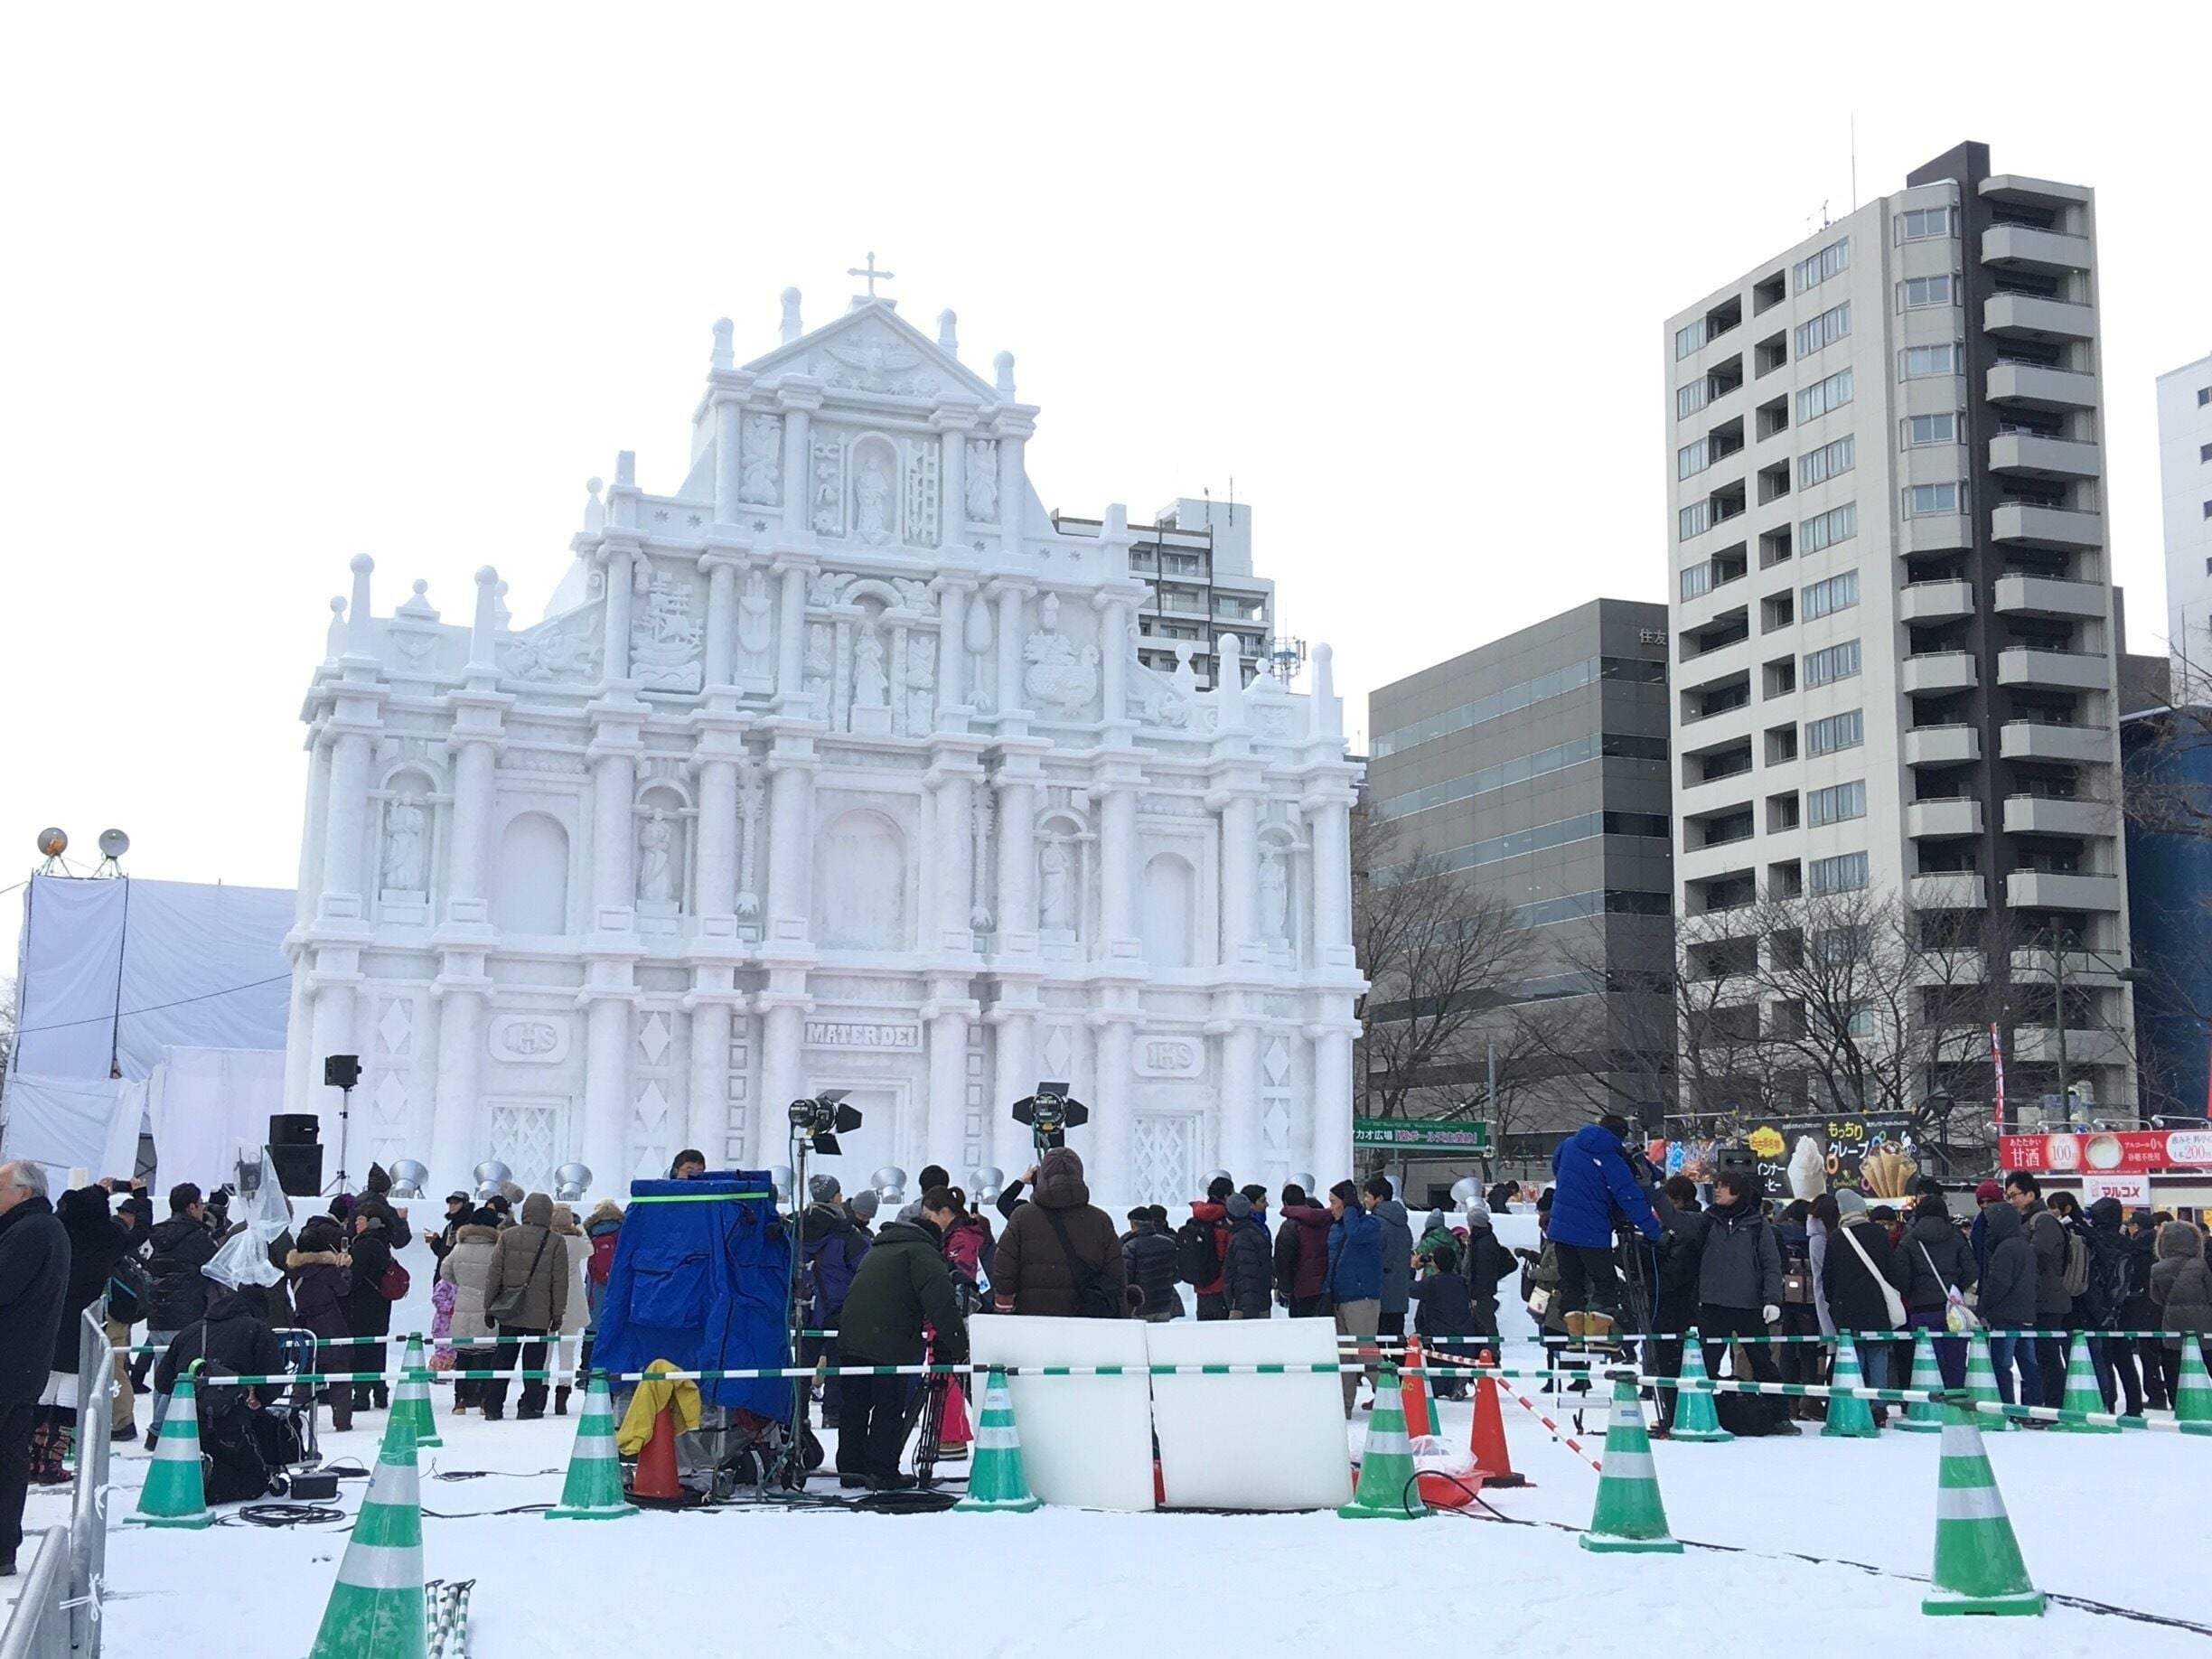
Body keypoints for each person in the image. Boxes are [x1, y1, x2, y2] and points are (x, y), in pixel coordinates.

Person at [835, 1186, 969, 1490]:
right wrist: (961, 1345)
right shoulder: (922, 1253)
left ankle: (851, 1469)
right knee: (888, 1406)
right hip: (887, 1343)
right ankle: (882, 1471)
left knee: (854, 1406)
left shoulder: (880, 1247)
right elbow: (941, 1305)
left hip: (851, 1336)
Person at [151, 1272, 285, 1503]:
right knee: (253, 1481)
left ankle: (197, 1475)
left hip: (185, 1426)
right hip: (231, 1421)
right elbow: (273, 1380)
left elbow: (162, 1382)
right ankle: (212, 1483)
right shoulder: (256, 1329)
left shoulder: (189, 1331)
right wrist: (258, 1400)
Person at [33, 1186, 133, 1484]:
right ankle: (52, 1461)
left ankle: (33, 1459)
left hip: (48, 1314)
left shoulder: (58, 1229)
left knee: (45, 1385)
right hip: (85, 1318)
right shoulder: (108, 1237)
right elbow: (132, 1236)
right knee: (68, 1389)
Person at [0, 1162, 69, 1576]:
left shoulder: (30, 1232)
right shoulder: (44, 1229)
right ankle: (4, 1548)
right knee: (9, 1460)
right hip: (24, 1366)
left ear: (22, 1193)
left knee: (9, 1461)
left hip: (8, 1364)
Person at [1692, 1169, 1795, 1434]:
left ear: (1737, 1192)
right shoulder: (1707, 1221)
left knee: (1763, 1363)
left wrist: (1773, 1300)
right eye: (1716, 1186)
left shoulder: (1758, 1225)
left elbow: (1772, 1264)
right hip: (1712, 1304)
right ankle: (1700, 1411)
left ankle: (1779, 1414)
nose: (1717, 1190)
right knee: (1706, 1363)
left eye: (1723, 1187)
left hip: (1749, 1305)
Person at [1547, 1114, 1662, 1343]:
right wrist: (1653, 1230)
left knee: (1571, 1283)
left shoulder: (1569, 1144)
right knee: (1605, 1284)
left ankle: (1575, 1338)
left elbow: (1556, 1167)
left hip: (1560, 1230)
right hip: (1592, 1233)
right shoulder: (1610, 1158)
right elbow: (1630, 1197)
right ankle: (1599, 1339)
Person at [990, 1148, 1128, 1317]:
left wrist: (1003, 1309)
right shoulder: (1100, 1220)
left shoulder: (1022, 1217)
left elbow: (1005, 1269)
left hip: (1032, 1319)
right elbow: (1116, 1275)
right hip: (1085, 1321)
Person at [480, 1192, 568, 1421]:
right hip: (539, 1315)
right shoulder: (556, 1241)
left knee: (503, 1360)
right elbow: (560, 1282)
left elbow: (494, 1273)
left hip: (510, 1310)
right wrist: (557, 1313)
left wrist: (489, 1306)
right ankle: (529, 1406)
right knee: (534, 1364)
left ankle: (493, 1406)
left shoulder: (508, 1236)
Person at [143, 1182, 217, 1445]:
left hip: (158, 1314)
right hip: (185, 1315)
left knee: (161, 1375)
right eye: (201, 1203)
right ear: (191, 1207)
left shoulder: (158, 1235)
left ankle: (158, 1425)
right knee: (182, 1376)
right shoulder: (197, 1238)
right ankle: (158, 1430)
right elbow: (217, 1267)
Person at [1823, 1190, 1907, 1420]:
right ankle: (1878, 1406)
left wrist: (1836, 1304)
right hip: (1877, 1307)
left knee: (1854, 1356)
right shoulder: (1878, 1235)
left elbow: (1827, 1279)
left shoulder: (1836, 1238)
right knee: (1878, 1356)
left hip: (1847, 1308)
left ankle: (1857, 1404)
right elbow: (1892, 1271)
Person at [798, 1177, 870, 1430]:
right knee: (838, 1366)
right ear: (833, 1197)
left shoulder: (797, 1227)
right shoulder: (845, 1231)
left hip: (804, 1308)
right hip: (839, 1308)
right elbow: (865, 1266)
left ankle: (798, 1415)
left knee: (801, 1368)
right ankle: (832, 1414)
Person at [1900, 1189, 1976, 1390]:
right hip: (1953, 1308)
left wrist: (1913, 1292)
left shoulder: (1909, 1240)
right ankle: (1955, 1402)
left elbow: (1902, 1277)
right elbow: (1971, 1270)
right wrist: (1956, 1289)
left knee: (1929, 1361)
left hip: (1922, 1309)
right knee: (1956, 1360)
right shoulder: (1956, 1236)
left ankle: (1932, 1406)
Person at [2005, 1173, 2068, 1406]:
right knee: (2039, 1354)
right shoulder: (2027, 1220)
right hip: (2035, 1298)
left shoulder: (2043, 1220)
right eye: (2009, 1196)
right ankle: (2042, 1401)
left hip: (2047, 1298)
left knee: (2047, 1353)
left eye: (2015, 1195)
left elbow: (2039, 1254)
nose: (2012, 1201)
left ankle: (2054, 1404)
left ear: (2031, 1194)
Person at [1647, 1176, 1702, 1436]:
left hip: (1675, 1306)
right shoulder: (1679, 1228)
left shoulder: (1686, 1230)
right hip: (1677, 1304)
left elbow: (1675, 1274)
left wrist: (1650, 1269)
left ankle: (1674, 1413)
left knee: (1670, 1361)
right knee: (1670, 1360)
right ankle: (1672, 1411)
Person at [1979, 1195, 2040, 1411]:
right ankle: (2034, 1407)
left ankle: (2007, 1408)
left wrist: (1983, 1306)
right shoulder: (2024, 1246)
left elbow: (1998, 1283)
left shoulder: (2004, 1249)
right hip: (2026, 1314)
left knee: (2002, 1365)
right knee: (2029, 1364)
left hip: (2005, 1315)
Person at [435, 1207, 500, 1415]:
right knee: (487, 1355)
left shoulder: (459, 1247)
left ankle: (460, 1401)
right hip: (488, 1308)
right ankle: (483, 1400)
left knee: (464, 1355)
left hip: (462, 1305)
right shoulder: (497, 1249)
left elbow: (445, 1272)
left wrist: (463, 1284)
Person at [2080, 1196, 2141, 1415]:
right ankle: (2135, 1404)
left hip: (2097, 1306)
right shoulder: (2127, 1243)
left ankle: (2109, 1401)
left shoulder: (2093, 1240)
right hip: (2124, 1306)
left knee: (2103, 1356)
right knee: (2125, 1360)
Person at [1325, 1180, 1382, 1414]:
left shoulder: (1369, 1224)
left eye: (1334, 1202)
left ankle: (1391, 1397)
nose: (1331, 1208)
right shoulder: (1336, 1227)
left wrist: (1349, 1208)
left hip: (1362, 1297)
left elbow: (1356, 1234)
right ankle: (1344, 1405)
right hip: (1339, 1297)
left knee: (1365, 1350)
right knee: (1344, 1355)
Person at [344, 1204, 399, 1414]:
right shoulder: (383, 1244)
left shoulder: (364, 1245)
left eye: (360, 1220)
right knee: (378, 1348)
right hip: (381, 1303)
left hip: (362, 1305)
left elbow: (354, 1277)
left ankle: (361, 1394)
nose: (356, 1224)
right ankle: (380, 1391)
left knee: (362, 1349)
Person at [1773, 1199, 1825, 1419]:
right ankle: (1809, 1399)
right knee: (1809, 1350)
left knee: (1786, 1349)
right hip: (1810, 1299)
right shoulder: (1812, 1236)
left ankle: (1789, 1400)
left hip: (1784, 1297)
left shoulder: (1777, 1233)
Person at [106, 1195, 149, 1443]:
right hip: (120, 1313)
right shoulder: (124, 1243)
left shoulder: (109, 1239)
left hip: (111, 1313)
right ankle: (122, 1419)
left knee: (113, 1366)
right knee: (116, 1365)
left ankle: (122, 1420)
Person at [2149, 1220, 2212, 1383]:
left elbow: (2155, 1297)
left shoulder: (2157, 1268)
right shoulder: (2200, 1264)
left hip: (2173, 1322)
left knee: (2175, 1366)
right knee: (2208, 1359)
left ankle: (2178, 1401)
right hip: (2204, 1322)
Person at [1411, 1242, 1477, 1397]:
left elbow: (1410, 1289)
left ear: (1436, 1263)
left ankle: (1451, 1385)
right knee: (1453, 1362)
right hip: (1465, 1331)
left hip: (1440, 1333)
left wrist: (1412, 1268)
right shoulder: (1462, 1281)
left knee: (1436, 1382)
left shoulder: (1432, 1283)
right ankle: (1458, 1381)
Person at [2123, 1208, 2170, 1411]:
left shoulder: (2135, 1249)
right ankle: (2175, 1393)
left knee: (2148, 1354)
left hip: (2142, 1307)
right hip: (2163, 1307)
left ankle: (2156, 1395)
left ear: (2136, 1227)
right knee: (2168, 1352)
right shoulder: (2163, 1247)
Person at [1457, 1199, 1515, 1353]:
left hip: (1481, 1292)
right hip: (1484, 1290)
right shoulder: (1485, 1239)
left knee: (1485, 1323)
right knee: (1485, 1322)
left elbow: (1480, 1271)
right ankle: (1488, 1351)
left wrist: (1475, 1294)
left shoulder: (1482, 1243)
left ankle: (1491, 1352)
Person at [549, 1202, 589, 1415]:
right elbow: (589, 1249)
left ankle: (539, 1394)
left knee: (543, 1352)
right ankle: (562, 1398)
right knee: (567, 1353)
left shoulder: (547, 1240)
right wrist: (580, 1227)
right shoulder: (576, 1241)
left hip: (549, 1299)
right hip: (572, 1300)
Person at [1364, 1176, 1413, 1346]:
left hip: (1380, 1293)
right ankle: (1401, 1372)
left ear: (1379, 1198)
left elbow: (1372, 1258)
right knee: (1397, 1343)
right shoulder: (1403, 1225)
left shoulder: (1376, 1224)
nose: (1365, 1200)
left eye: (1367, 1196)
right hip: (1399, 1293)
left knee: (1378, 1343)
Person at [1273, 1185, 1332, 1317]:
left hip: (1301, 1288)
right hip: (1325, 1286)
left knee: (1302, 1329)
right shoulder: (1325, 1220)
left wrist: (1285, 1289)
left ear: (1285, 1203)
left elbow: (1283, 1261)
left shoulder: (1289, 1226)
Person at [1185, 1175, 1236, 1319]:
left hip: (1201, 1285)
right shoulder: (1226, 1222)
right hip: (1221, 1286)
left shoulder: (1197, 1219)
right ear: (1226, 1196)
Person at [1121, 1206, 1180, 1322]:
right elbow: (1176, 1275)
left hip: (1140, 1307)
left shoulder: (1130, 1247)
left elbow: (1125, 1278)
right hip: (1164, 1305)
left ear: (1133, 1224)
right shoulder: (1169, 1243)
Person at [1222, 1194, 1273, 1319]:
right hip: (1261, 1302)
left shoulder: (1240, 1238)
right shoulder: (1258, 1233)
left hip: (1244, 1307)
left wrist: (1245, 1309)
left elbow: (1247, 1276)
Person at [423, 1193, 471, 1262]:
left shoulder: (469, 1225)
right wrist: (435, 1240)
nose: (452, 1206)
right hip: (444, 1270)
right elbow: (442, 1253)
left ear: (465, 1204)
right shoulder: (450, 1226)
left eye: (456, 1202)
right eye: (450, 1203)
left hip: (457, 1270)